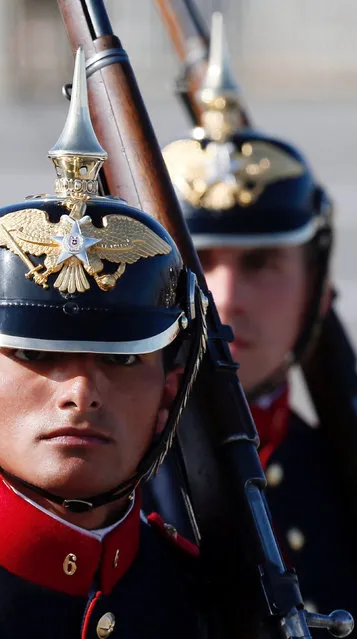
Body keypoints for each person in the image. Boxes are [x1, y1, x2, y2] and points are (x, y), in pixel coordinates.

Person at [0, 49, 211, 637]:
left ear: (169, 391)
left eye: (124, 358)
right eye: (33, 353)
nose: (80, 392)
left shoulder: (207, 602)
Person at [157, 12, 357, 618]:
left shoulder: (332, 471)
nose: (227, 295)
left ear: (319, 293)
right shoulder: (88, 481)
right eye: (201, 260)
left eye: (263, 262)